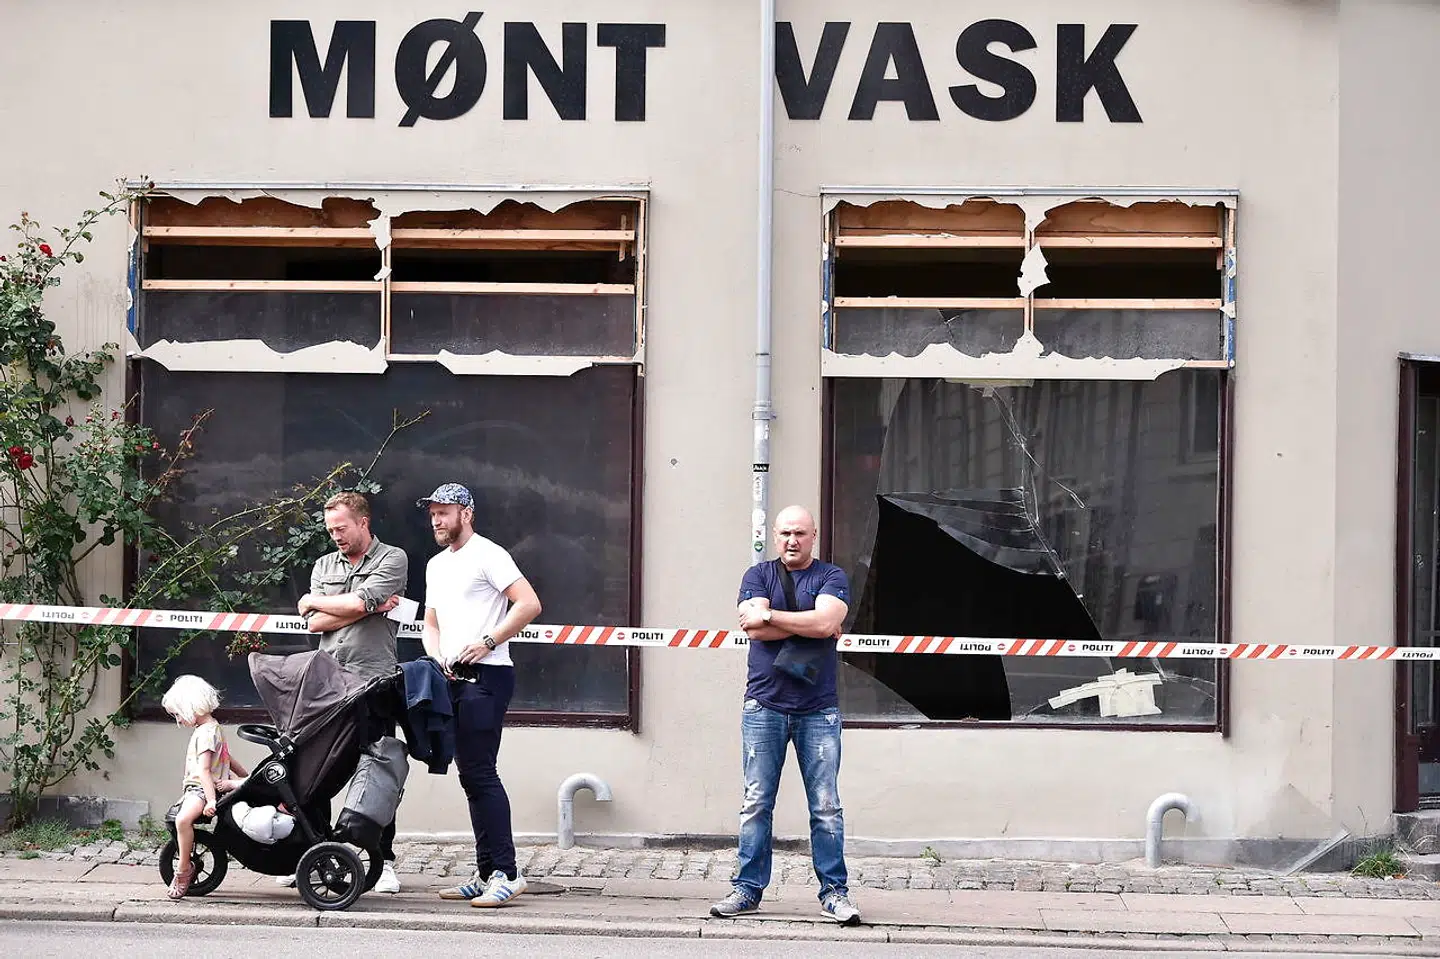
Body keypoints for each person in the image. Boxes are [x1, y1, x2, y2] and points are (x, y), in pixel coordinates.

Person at [710, 505, 862, 926]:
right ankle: (747, 889)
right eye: (784, 534)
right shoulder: (757, 575)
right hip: (764, 706)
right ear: (774, 537)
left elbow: (826, 621)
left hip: (819, 709)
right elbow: (753, 630)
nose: (792, 541)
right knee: (756, 803)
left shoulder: (832, 576)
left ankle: (834, 893)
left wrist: (773, 615)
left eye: (800, 533)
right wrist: (810, 622)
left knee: (827, 806)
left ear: (813, 536)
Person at [419, 483, 542, 909]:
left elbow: (528, 604)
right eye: (433, 512)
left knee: (481, 773)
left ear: (466, 513)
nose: (437, 519)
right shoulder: (436, 564)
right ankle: (487, 869)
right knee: (470, 774)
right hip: (450, 676)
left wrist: (488, 641)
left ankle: (507, 873)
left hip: (487, 675)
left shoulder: (489, 554)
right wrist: (435, 657)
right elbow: (430, 620)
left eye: (445, 512)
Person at [286, 490, 409, 893]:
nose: (335, 536)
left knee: (377, 770)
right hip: (328, 684)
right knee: (315, 770)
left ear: (363, 522)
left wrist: (339, 604)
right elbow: (315, 623)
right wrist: (364, 607)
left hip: (374, 683)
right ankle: (315, 857)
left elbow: (356, 602)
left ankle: (382, 861)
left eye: (341, 528)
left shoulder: (392, 558)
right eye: (330, 530)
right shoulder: (324, 563)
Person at [161, 675, 248, 900]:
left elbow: (205, 770)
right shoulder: (212, 728)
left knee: (181, 820)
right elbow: (226, 756)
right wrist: (244, 775)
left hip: (201, 789)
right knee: (176, 820)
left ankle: (183, 870)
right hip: (199, 788)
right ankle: (184, 858)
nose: (178, 720)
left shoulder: (206, 733)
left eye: (178, 714)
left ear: (190, 707)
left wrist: (211, 800)